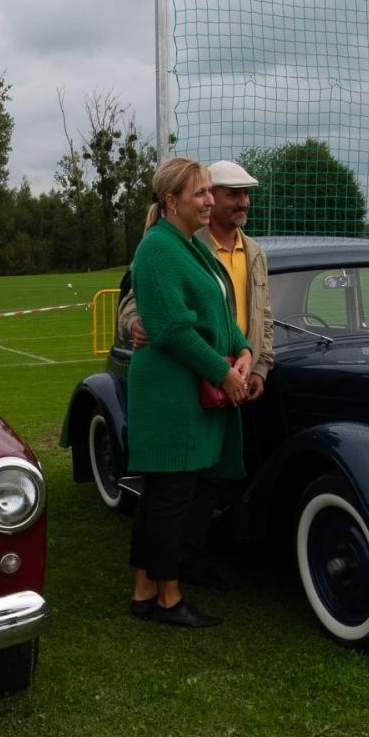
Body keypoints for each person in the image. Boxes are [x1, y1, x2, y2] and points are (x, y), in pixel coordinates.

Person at [116, 159, 273, 590]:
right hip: (175, 391)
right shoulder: (159, 247)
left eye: (209, 192)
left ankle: (149, 589)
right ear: (172, 201)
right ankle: (165, 596)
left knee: (178, 495)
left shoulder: (190, 246)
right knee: (170, 497)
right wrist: (224, 375)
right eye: (202, 193)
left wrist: (244, 351)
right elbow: (172, 329)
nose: (209, 200)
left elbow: (225, 313)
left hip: (197, 389)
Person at [116, 159, 273, 398]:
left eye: (246, 194)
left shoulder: (255, 253)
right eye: (232, 195)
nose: (243, 202)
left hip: (239, 378)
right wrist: (135, 323)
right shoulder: (175, 245)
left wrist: (256, 363)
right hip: (197, 381)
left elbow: (265, 315)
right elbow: (141, 302)